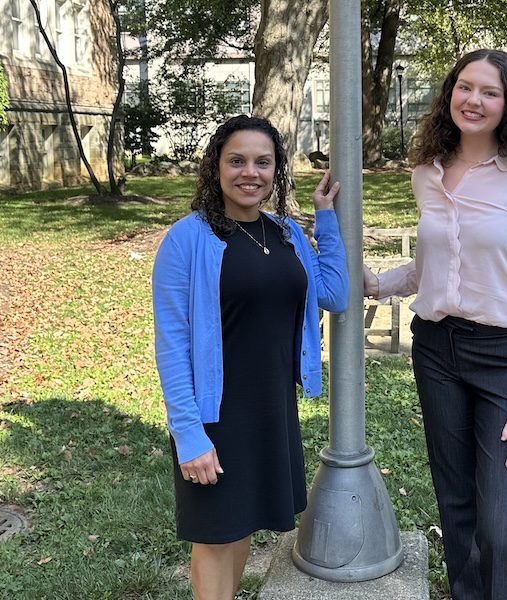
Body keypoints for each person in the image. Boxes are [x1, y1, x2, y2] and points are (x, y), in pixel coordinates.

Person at [364, 50, 507, 599]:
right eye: (465, 87)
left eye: (490, 92)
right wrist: (378, 283)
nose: (474, 100)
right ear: (450, 93)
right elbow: (437, 266)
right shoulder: (427, 176)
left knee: (502, 527)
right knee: (457, 511)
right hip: (437, 352)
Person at [152, 115, 348, 600]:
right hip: (216, 413)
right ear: (215, 167)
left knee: (242, 528)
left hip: (271, 406)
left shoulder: (284, 234)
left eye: (263, 162)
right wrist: (188, 434)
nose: (249, 173)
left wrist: (325, 216)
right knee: (217, 534)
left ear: (277, 170)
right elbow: (171, 343)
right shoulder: (187, 239)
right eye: (236, 160)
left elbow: (335, 293)